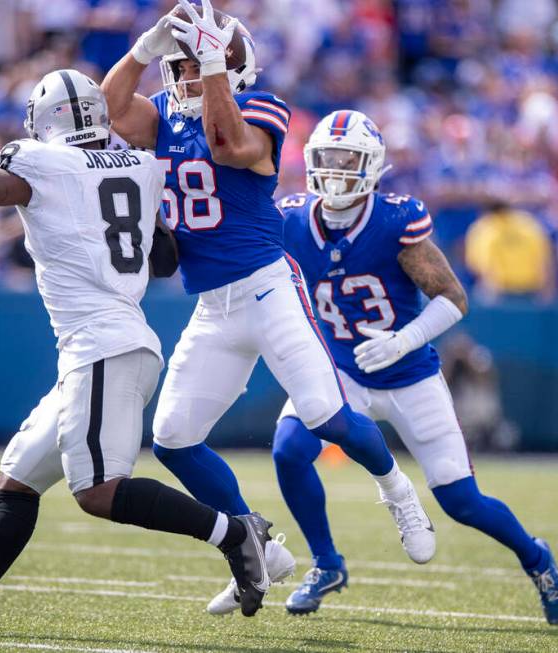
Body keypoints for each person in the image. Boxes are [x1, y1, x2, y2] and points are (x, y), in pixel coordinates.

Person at [0, 71, 278, 635]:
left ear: (42, 123)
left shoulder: (39, 161)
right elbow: (163, 257)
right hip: (108, 346)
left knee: (97, 491)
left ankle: (237, 534)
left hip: (103, 348)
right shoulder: (141, 166)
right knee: (18, 479)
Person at [102, 0, 434, 598]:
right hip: (213, 307)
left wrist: (210, 65)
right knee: (173, 437)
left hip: (268, 290)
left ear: (233, 69)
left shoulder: (263, 107)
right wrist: (143, 51)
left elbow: (229, 145)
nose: (180, 78)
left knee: (326, 416)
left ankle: (397, 491)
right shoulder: (164, 114)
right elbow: (107, 109)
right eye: (174, 68)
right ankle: (256, 541)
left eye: (191, 66)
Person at [222, 109, 558, 625]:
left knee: (460, 501)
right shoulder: (292, 218)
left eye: (348, 160)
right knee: (289, 449)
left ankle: (536, 557)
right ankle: (326, 563)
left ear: (373, 167)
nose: (337, 171)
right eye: (328, 160)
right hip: (339, 370)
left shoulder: (393, 220)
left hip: (410, 375)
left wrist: (403, 340)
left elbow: (453, 299)